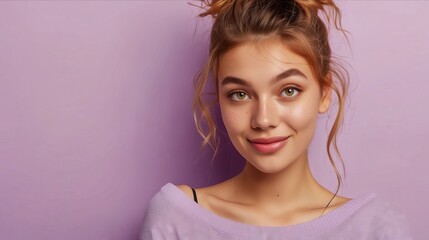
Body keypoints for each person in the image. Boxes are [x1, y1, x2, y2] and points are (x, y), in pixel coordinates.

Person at [140, 0, 412, 239]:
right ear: (220, 98)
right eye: (239, 94)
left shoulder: (374, 229)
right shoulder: (176, 218)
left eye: (289, 90)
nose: (264, 119)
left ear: (324, 93)